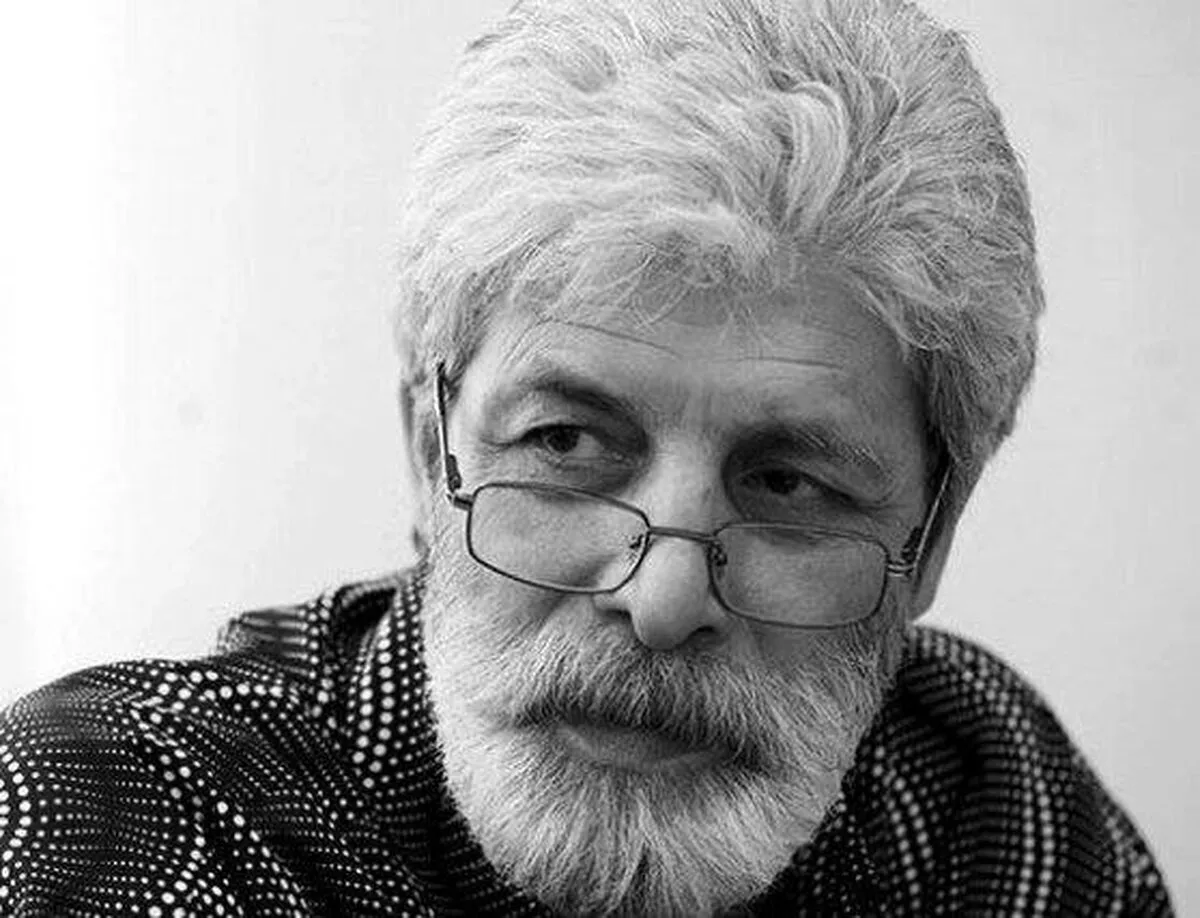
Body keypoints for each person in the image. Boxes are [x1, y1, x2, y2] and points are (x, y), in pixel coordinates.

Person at [0, 0, 1175, 915]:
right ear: (430, 455)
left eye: (788, 484)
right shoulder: (130, 814)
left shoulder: (983, 801)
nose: (662, 600)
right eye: (565, 443)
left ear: (932, 539)